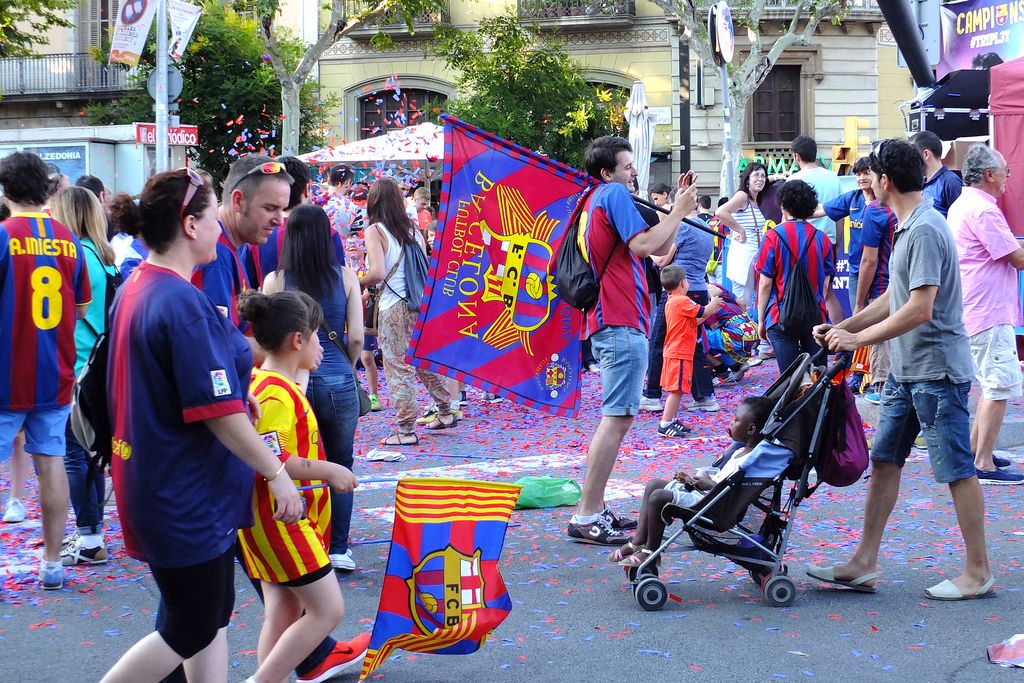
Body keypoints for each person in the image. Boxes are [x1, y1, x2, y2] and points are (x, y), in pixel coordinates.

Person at [100, 169, 302, 682]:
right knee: (191, 623)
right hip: (180, 491)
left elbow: (196, 390)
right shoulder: (178, 299)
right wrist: (275, 471)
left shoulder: (140, 286)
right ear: (191, 225)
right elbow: (219, 415)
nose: (219, 228)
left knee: (206, 615)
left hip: (162, 481)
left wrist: (234, 397)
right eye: (213, 217)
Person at [809, 139, 993, 601]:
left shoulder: (926, 228)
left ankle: (979, 571)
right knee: (885, 459)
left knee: (956, 468)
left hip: (936, 370)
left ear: (886, 181)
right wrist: (843, 326)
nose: (865, 184)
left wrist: (856, 340)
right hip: (909, 370)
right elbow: (895, 298)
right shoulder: (909, 226)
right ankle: (863, 562)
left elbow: (920, 308)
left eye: (869, 176)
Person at [566, 135, 698, 547]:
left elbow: (653, 252)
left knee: (616, 417)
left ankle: (592, 508)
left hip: (613, 318)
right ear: (608, 172)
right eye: (627, 166)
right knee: (617, 417)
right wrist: (677, 210)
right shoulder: (613, 195)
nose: (634, 172)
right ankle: (587, 513)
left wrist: (675, 209)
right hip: (619, 319)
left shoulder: (595, 199)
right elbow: (644, 245)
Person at [236, 290, 368, 683]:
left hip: (272, 521)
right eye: (318, 335)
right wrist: (330, 470)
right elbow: (276, 458)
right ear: (297, 340)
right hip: (281, 524)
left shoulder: (270, 383)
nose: (323, 346)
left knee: (282, 612)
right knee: (328, 610)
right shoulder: (275, 391)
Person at [0, 151, 91, 591]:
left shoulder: (3, 235)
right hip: (55, 371)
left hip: (5, 373)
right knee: (51, 464)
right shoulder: (66, 239)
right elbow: (82, 305)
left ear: (5, 190)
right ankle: (52, 563)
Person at [264, 205, 366, 569]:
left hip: (291, 385)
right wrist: (348, 366)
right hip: (338, 380)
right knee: (340, 461)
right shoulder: (346, 277)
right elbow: (356, 336)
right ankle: (338, 547)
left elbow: (268, 340)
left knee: (296, 461)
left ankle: (305, 540)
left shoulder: (276, 281)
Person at [610, 396, 774, 567]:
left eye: (736, 420)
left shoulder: (750, 460)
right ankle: (638, 541)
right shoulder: (738, 453)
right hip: (708, 497)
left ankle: (650, 553)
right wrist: (695, 481)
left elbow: (732, 490)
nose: (731, 423)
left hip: (714, 507)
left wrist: (705, 483)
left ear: (751, 429)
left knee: (659, 497)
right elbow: (722, 481)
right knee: (653, 485)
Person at [946, 144, 1024, 484]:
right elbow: (1015, 257)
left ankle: (980, 449)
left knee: (990, 385)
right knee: (998, 386)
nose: (1009, 176)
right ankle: (983, 463)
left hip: (977, 308)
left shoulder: (966, 203)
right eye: (1005, 170)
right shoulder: (983, 210)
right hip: (988, 310)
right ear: (989, 175)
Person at [49, 187, 117, 566]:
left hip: (78, 365)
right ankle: (94, 533)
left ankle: (88, 536)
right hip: (100, 363)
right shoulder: (104, 256)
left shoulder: (76, 256)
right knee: (91, 453)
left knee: (75, 455)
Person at [360, 177, 453, 446]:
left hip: (393, 305)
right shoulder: (412, 228)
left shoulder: (375, 231)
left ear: (373, 202)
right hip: (417, 303)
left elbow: (377, 273)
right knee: (420, 359)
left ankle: (405, 428)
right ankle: (445, 410)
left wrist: (356, 282)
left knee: (397, 366)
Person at [818, 156, 897, 398]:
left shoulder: (881, 209)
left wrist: (861, 301)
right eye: (858, 173)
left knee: (874, 322)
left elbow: (870, 260)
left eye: (867, 173)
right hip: (857, 272)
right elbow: (820, 210)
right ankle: (859, 373)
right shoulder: (852, 199)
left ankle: (879, 380)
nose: (862, 178)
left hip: (879, 278)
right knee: (861, 320)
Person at [192, 155, 291, 331]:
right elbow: (219, 343)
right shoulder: (216, 255)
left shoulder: (232, 245)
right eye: (270, 208)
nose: (279, 221)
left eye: (282, 209)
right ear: (238, 201)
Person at [755, 180, 835, 375]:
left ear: (783, 205)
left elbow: (765, 283)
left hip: (779, 316)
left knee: (791, 379)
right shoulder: (821, 238)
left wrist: (761, 320)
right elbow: (825, 286)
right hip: (815, 316)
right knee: (818, 376)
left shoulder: (772, 237)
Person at [242, 156, 346, 289]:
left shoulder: (256, 237)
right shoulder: (328, 234)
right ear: (306, 189)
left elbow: (247, 289)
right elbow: (339, 286)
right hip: (318, 309)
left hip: (268, 308)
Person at [656, 266, 722, 438]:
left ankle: (672, 419)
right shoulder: (681, 301)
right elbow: (703, 311)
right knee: (676, 390)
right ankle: (665, 423)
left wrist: (710, 311)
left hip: (679, 351)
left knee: (679, 389)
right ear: (683, 283)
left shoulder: (675, 301)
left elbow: (697, 320)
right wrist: (713, 302)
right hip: (678, 351)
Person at [789, 135, 845, 324]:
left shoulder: (794, 179)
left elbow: (788, 217)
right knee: (828, 293)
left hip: (801, 244)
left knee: (801, 291)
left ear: (797, 156)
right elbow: (839, 214)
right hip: (828, 241)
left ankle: (810, 341)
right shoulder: (833, 178)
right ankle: (839, 341)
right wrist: (837, 242)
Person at [716, 162, 768, 312]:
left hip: (755, 257)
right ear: (747, 179)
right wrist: (740, 230)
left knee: (753, 301)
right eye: (756, 175)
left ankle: (751, 332)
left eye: (763, 176)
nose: (760, 179)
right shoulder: (743, 196)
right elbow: (720, 212)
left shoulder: (757, 200)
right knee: (744, 302)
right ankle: (742, 333)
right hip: (744, 258)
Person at [911, 130, 963, 218]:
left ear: (926, 154)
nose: (910, 160)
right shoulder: (921, 183)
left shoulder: (950, 182)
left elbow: (960, 220)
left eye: (913, 155)